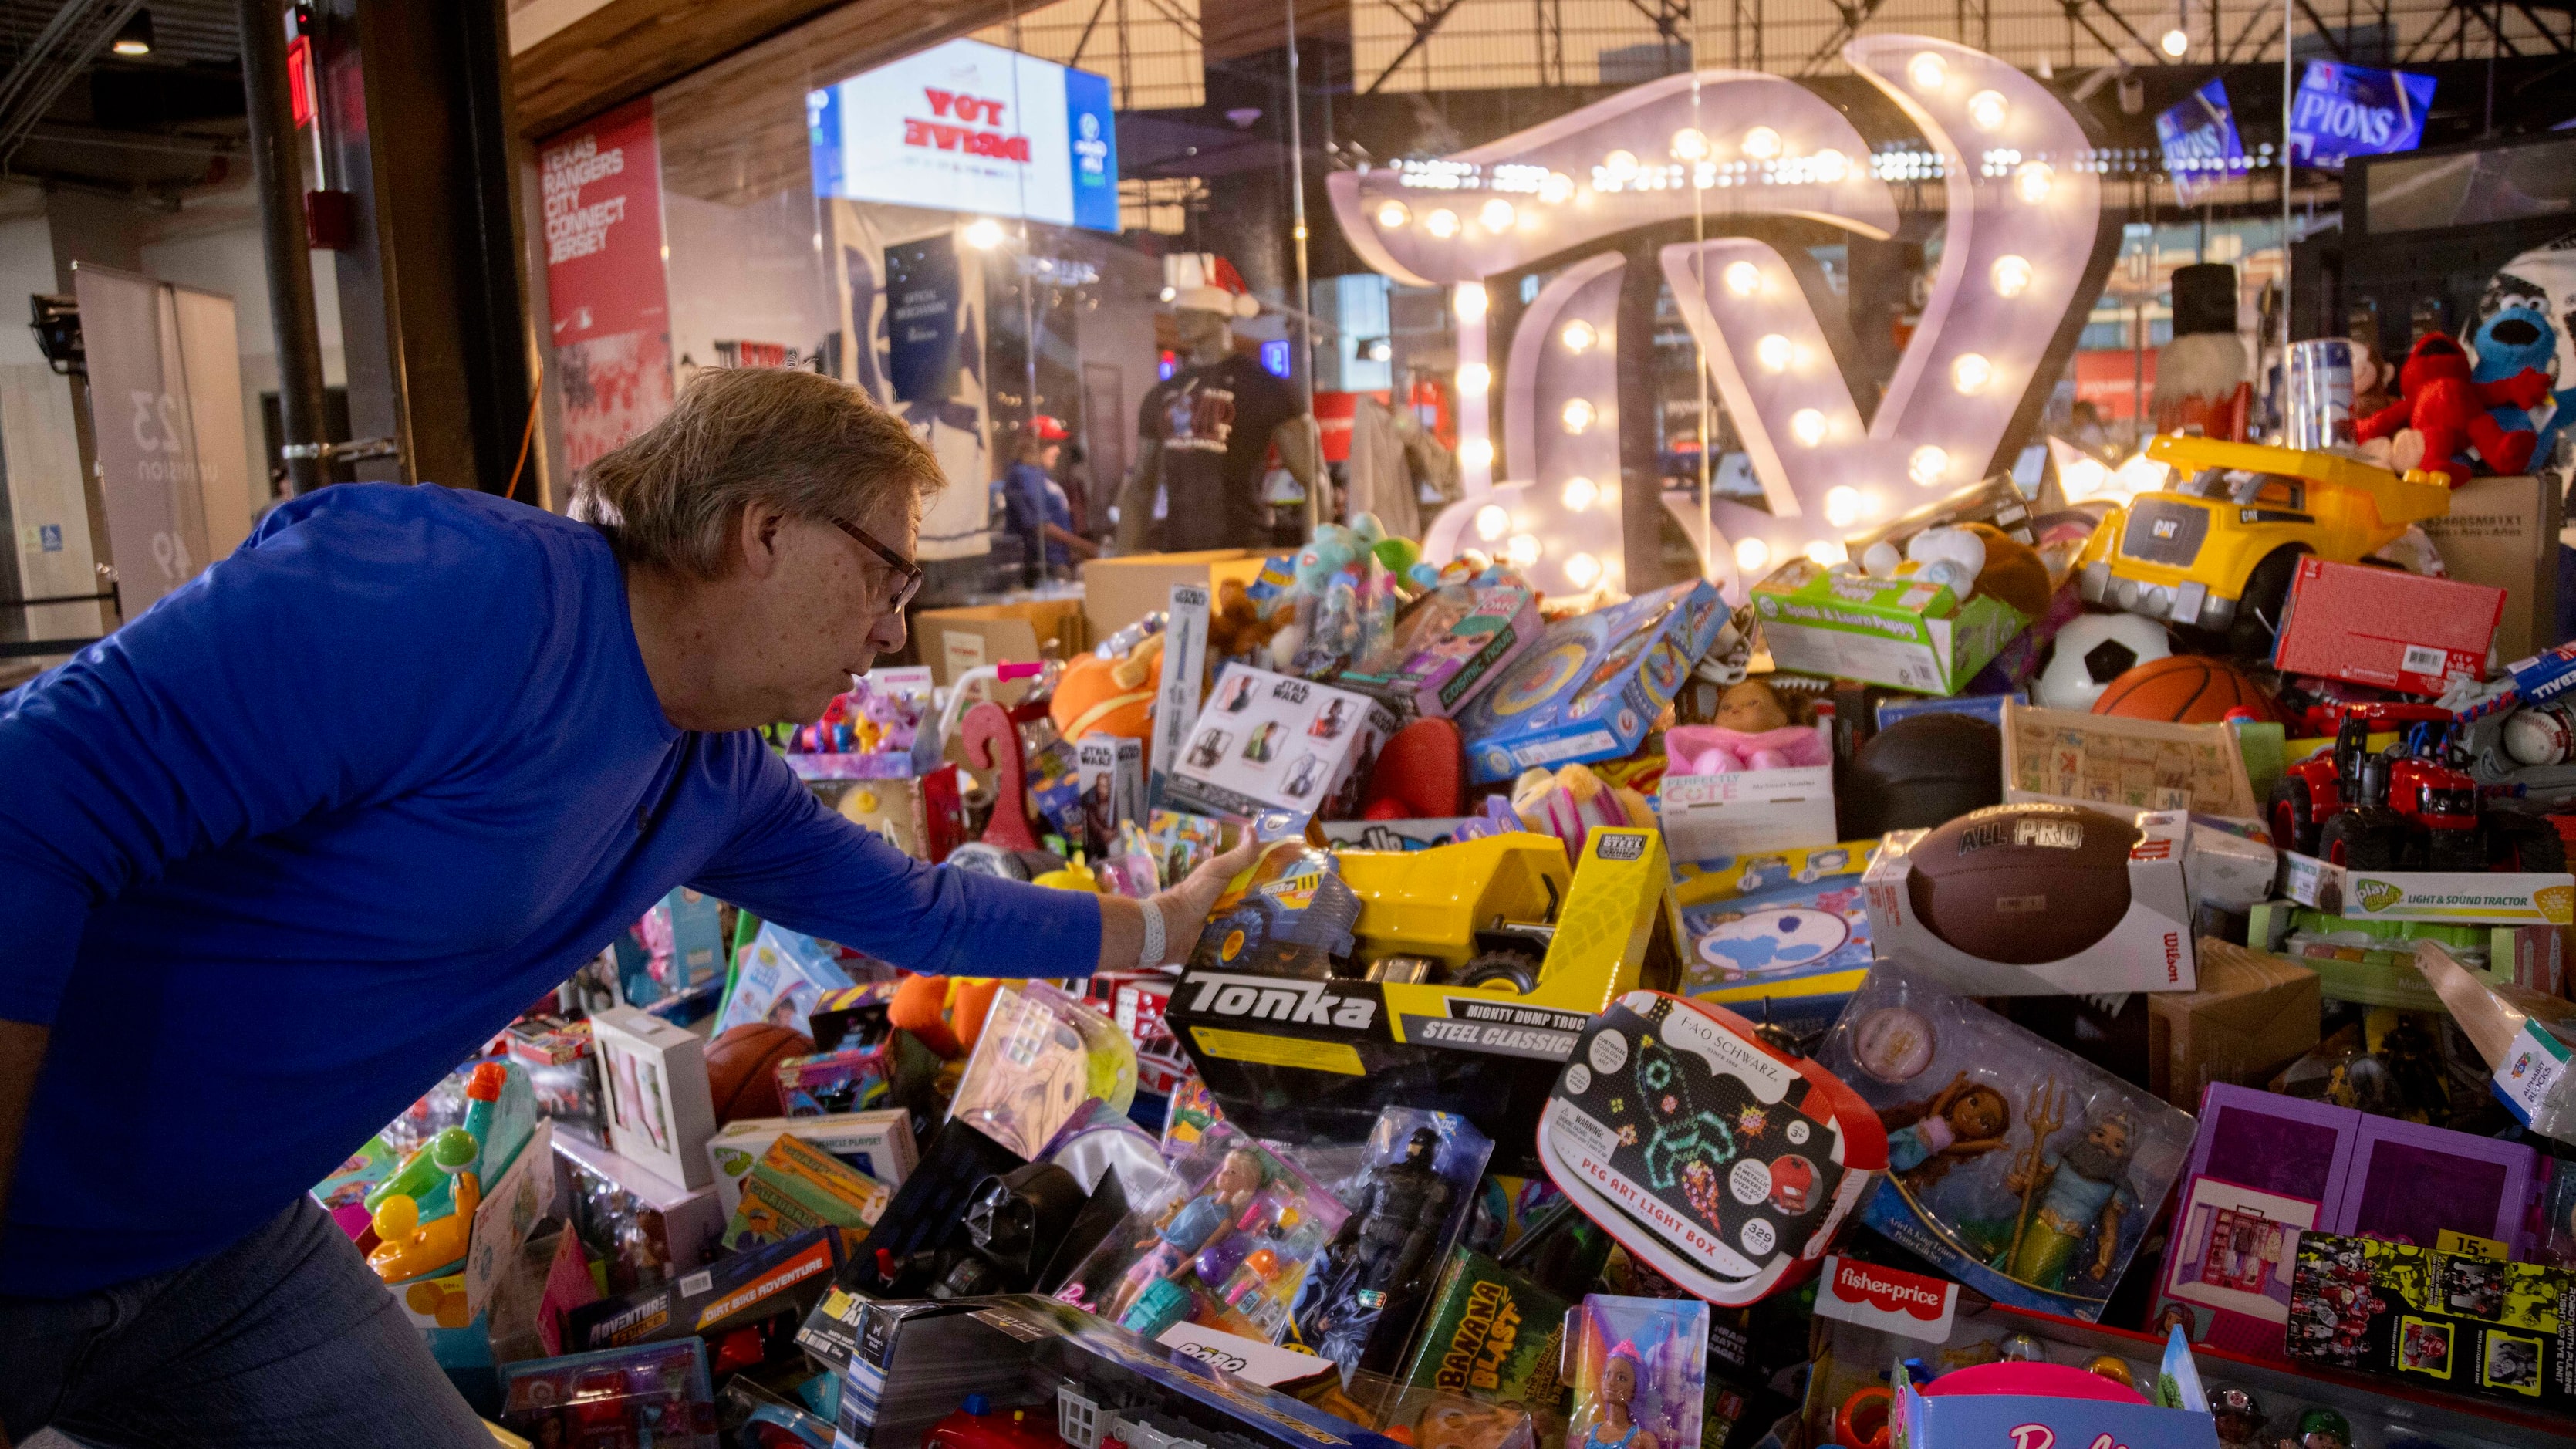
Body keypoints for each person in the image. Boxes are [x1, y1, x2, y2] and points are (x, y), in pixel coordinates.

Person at [0, 367, 1256, 1447]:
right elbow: (29, 798)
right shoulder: (448, 594)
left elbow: (925, 914)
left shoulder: (712, 775)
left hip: (217, 1251)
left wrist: (1160, 927)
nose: (890, 631)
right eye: (887, 577)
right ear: (763, 530)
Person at [996, 418, 1096, 583]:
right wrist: (1087, 548)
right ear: (1034, 446)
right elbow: (1040, 526)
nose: (1058, 450)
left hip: (1056, 564)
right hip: (1039, 568)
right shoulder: (1023, 475)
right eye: (1051, 444)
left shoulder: (1040, 475)